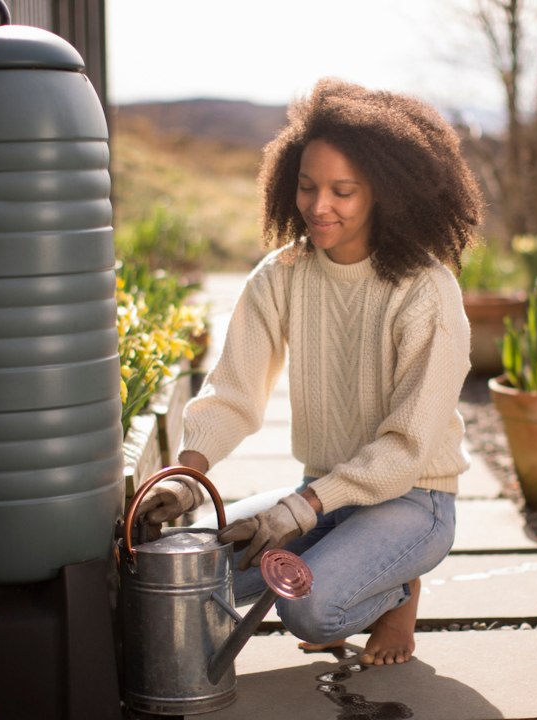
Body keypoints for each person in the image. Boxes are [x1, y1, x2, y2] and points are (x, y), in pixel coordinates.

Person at [136, 77, 484, 666]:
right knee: (192, 576)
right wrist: (185, 476)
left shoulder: (426, 291)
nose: (319, 206)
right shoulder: (282, 274)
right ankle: (353, 562)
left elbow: (405, 448)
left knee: (309, 608)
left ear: (383, 193)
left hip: (413, 500)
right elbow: (232, 393)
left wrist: (300, 511)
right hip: (321, 490)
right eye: (306, 186)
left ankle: (396, 593)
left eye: (343, 191)